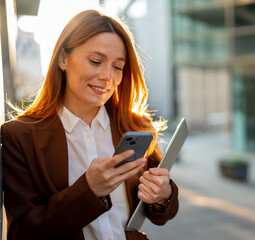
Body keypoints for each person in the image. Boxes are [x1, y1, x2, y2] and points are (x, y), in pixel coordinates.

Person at [1, 9, 178, 240]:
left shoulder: (135, 126)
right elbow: (22, 234)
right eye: (96, 61)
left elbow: (161, 215)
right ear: (63, 58)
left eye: (117, 67)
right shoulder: (19, 136)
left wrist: (163, 195)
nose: (107, 76)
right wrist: (89, 189)